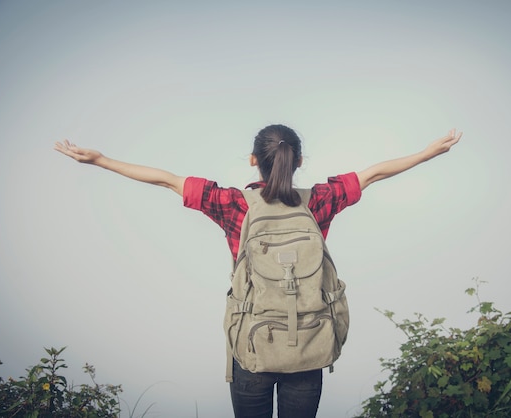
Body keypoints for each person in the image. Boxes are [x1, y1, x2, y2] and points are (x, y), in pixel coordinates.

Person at [54, 124, 462, 418]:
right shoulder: (319, 201)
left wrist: (100, 160)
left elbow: (166, 181)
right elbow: (373, 173)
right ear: (299, 161)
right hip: (309, 342)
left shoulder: (232, 204)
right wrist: (429, 152)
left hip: (251, 349)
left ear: (254, 161)